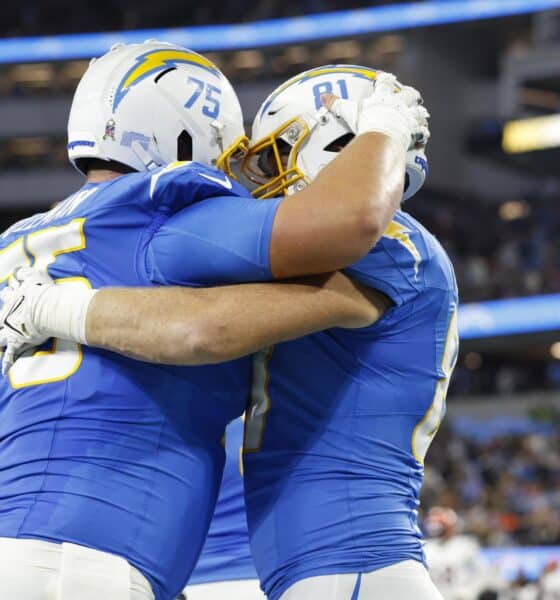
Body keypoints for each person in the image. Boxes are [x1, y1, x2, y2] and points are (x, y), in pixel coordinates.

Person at [0, 48, 427, 600]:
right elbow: (353, 221)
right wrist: (385, 131)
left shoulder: (15, 246)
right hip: (80, 558)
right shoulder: (158, 213)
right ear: (184, 133)